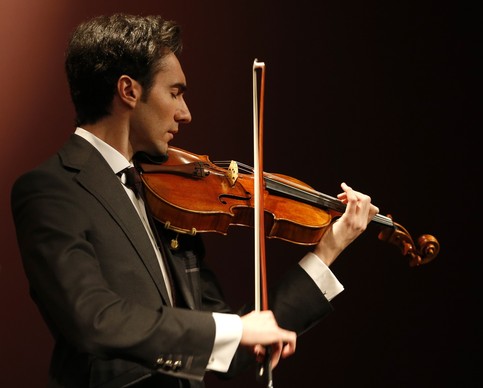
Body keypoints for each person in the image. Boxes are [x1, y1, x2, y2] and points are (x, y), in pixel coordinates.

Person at [11, 13, 379, 388]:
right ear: (129, 90)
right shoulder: (51, 190)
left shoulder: (165, 196)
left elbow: (231, 345)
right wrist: (235, 328)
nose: (185, 113)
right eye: (175, 92)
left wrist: (328, 250)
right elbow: (93, 319)